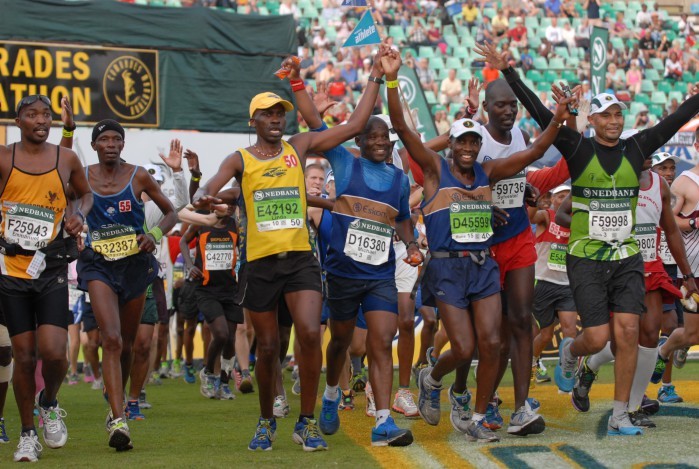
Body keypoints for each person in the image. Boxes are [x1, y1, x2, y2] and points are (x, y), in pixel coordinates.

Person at [476, 40, 699, 436]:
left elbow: (673, 119)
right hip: (587, 258)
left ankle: (619, 414)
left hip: (627, 256)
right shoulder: (577, 148)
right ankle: (570, 351)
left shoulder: (637, 147)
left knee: (629, 332)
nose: (613, 121)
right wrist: (507, 70)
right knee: (595, 338)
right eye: (605, 115)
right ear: (592, 121)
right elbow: (541, 112)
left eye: (618, 114)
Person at [193, 45, 391, 452]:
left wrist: (374, 73)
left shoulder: (297, 147)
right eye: (267, 114)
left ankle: (306, 422)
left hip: (300, 261)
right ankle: (266, 422)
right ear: (254, 120)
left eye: (280, 112)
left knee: (306, 332)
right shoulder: (240, 159)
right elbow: (211, 184)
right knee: (267, 348)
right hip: (259, 265)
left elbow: (354, 125)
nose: (276, 119)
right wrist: (203, 195)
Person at [385, 48, 574, 442]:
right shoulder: (437, 170)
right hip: (448, 268)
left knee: (495, 339)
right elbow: (404, 133)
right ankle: (434, 377)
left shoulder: (488, 170)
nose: (470, 147)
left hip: (485, 261)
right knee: (467, 345)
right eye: (463, 142)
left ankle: (477, 413)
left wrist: (559, 118)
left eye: (474, 142)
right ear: (451, 144)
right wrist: (389, 80)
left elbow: (536, 152)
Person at [569, 150, 696, 428]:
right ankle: (589, 365)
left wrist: (687, 273)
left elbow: (672, 230)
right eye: (643, 150)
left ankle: (633, 407)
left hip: (649, 267)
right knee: (618, 341)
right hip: (614, 266)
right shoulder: (606, 179)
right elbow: (565, 213)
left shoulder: (658, 184)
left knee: (650, 334)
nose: (648, 155)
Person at [0, 95, 92, 463]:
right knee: (23, 358)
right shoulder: (4, 158)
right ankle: (26, 435)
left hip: (51, 268)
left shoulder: (65, 158)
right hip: (11, 272)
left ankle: (49, 402)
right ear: (18, 120)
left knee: (55, 353)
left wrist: (78, 216)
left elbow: (84, 195)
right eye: (32, 114)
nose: (41, 120)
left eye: (46, 115)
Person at [78, 120, 176, 450]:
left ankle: (114, 402)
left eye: (116, 139)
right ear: (94, 146)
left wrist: (154, 235)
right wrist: (74, 220)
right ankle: (119, 420)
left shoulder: (139, 176)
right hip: (98, 267)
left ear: (123, 144)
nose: (110, 143)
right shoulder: (84, 176)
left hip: (135, 267)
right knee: (112, 338)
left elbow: (170, 213)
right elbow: (66, 200)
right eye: (103, 139)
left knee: (129, 344)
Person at [180, 202, 242, 401]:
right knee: (221, 334)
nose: (230, 208)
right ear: (216, 205)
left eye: (232, 205)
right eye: (226, 204)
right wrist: (190, 265)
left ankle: (224, 383)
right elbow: (183, 241)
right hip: (206, 289)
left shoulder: (235, 226)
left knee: (231, 338)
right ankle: (207, 372)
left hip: (231, 289)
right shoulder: (202, 222)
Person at [529, 185, 577, 386]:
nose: (564, 199)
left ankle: (567, 369)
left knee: (570, 331)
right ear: (552, 200)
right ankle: (530, 362)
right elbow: (531, 217)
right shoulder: (546, 217)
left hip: (566, 285)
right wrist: (533, 198)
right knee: (546, 334)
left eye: (567, 196)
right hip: (543, 282)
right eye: (560, 196)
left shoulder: (576, 222)